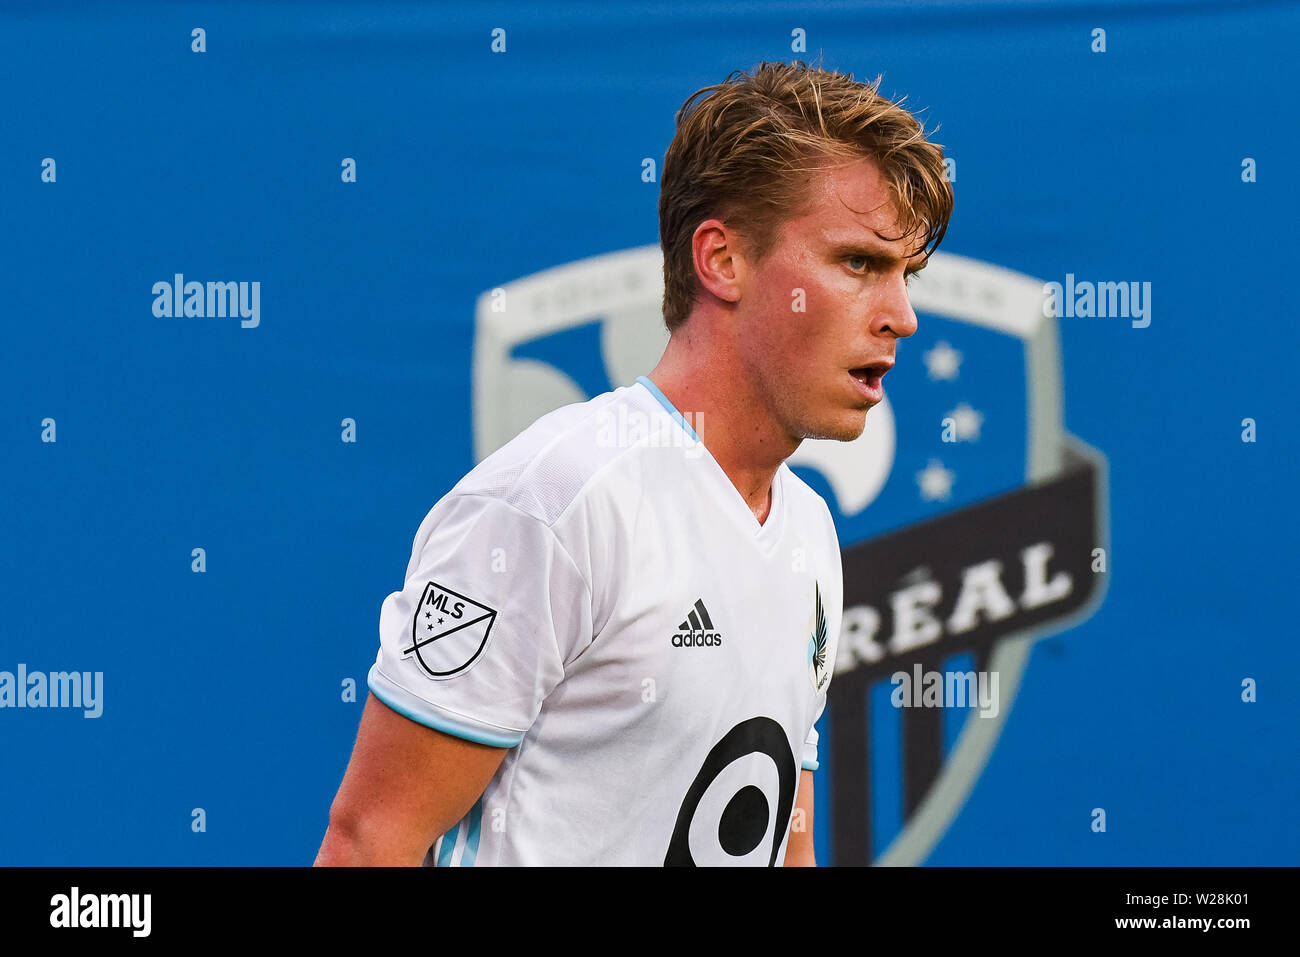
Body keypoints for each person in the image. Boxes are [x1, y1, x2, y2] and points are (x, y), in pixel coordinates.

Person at [315, 59, 953, 866]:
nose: (901, 315)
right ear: (721, 260)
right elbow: (370, 841)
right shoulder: (556, 500)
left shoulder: (808, 531)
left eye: (907, 275)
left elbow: (785, 836)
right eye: (859, 263)